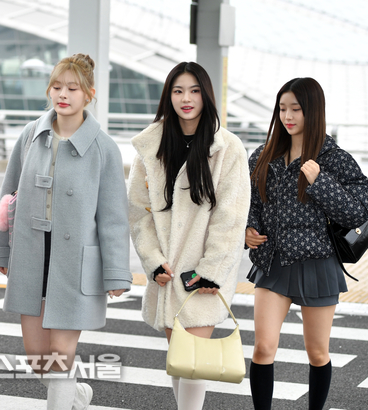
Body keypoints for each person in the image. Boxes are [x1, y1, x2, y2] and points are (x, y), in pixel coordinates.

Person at [0, 53, 132, 410]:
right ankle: (77, 395)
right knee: (38, 358)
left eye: (72, 88)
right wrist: (1, 250)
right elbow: (8, 198)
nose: (63, 94)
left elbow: (114, 217)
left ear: (89, 94)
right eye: (57, 86)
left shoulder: (104, 148)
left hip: (75, 262)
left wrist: (117, 272)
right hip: (31, 257)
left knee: (61, 354)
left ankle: (64, 398)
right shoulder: (31, 135)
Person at [128, 61, 251, 410]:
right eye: (178, 90)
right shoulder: (152, 146)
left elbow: (231, 218)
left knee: (194, 362)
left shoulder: (227, 148)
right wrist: (153, 261)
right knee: (180, 361)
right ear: (168, 95)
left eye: (194, 91)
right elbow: (138, 211)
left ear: (205, 95)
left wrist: (211, 271)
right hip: (168, 273)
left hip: (201, 274)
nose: (186, 98)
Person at [245, 78, 368, 410]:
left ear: (313, 111)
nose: (287, 116)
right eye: (282, 109)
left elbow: (358, 214)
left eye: (296, 109)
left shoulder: (335, 159)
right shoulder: (263, 155)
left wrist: (320, 181)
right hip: (272, 263)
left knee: (317, 353)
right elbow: (249, 202)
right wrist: (248, 228)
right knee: (262, 348)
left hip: (318, 265)